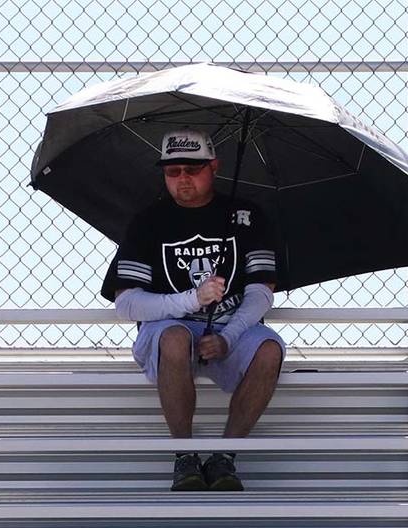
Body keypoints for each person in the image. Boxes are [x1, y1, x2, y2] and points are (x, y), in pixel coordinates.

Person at [100, 129, 285, 492]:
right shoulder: (148, 221)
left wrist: (228, 338)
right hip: (170, 326)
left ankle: (225, 457)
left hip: (233, 326)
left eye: (193, 168)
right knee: (173, 337)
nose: (183, 177)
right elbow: (127, 303)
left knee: (269, 349)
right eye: (172, 171)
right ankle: (183, 455)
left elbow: (263, 291)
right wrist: (191, 300)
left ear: (213, 167)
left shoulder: (245, 215)